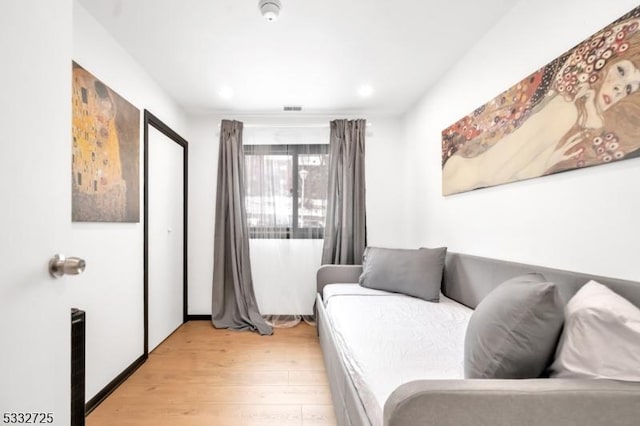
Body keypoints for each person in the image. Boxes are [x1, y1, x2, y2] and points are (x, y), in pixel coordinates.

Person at [442, 10, 640, 195]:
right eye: (621, 71)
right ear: (605, 63)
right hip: (463, 178)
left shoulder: (572, 111)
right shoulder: (567, 112)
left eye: (630, 88)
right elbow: (497, 175)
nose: (620, 89)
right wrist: (548, 162)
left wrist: (550, 162)